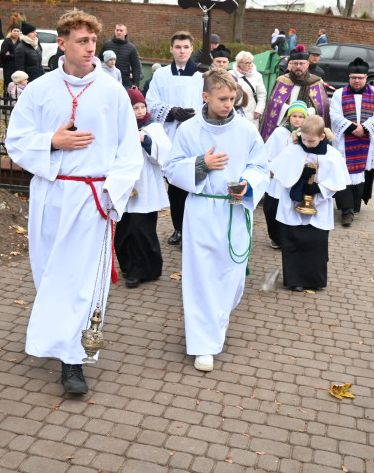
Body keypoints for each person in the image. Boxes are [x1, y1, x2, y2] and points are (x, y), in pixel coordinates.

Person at [4, 9, 143, 395]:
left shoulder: (112, 90)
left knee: (82, 280)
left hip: (92, 197)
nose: (89, 48)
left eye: (93, 41)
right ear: (61, 44)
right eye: (81, 41)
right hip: (51, 193)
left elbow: (129, 152)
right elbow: (15, 140)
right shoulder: (40, 89)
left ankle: (73, 361)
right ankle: (56, 338)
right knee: (50, 272)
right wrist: (52, 141)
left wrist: (109, 195)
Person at [163, 69, 268, 373]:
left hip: (234, 209)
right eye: (222, 98)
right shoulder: (188, 129)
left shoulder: (247, 130)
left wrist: (247, 183)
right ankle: (203, 345)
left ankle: (216, 321)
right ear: (205, 97)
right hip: (201, 210)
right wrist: (201, 164)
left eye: (232, 99)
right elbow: (171, 168)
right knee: (200, 278)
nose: (228, 104)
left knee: (231, 279)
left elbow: (260, 165)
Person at [271, 114, 346, 291]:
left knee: (315, 243)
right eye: (303, 139)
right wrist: (298, 178)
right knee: (293, 241)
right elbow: (278, 172)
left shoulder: (332, 155)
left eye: (311, 141)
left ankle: (313, 280)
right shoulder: (293, 149)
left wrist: (319, 189)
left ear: (322, 137)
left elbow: (337, 182)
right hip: (292, 205)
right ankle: (294, 280)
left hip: (318, 206)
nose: (306, 144)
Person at [146, 31, 204, 247]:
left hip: (193, 135)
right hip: (169, 134)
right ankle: (179, 228)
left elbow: (208, 103)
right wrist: (171, 111)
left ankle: (194, 228)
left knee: (193, 180)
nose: (182, 51)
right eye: (178, 47)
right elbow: (150, 102)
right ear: (171, 49)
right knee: (175, 183)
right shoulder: (161, 75)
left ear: (191, 49)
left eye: (186, 47)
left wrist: (194, 112)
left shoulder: (200, 76)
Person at [116, 89, 171, 288]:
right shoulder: (120, 128)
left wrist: (147, 142)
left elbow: (165, 153)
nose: (140, 111)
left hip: (146, 186)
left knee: (141, 230)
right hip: (126, 186)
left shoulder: (153, 127)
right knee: (123, 231)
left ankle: (143, 270)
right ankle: (128, 266)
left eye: (142, 107)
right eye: (134, 108)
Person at [330, 58, 374, 227]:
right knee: (344, 172)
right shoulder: (339, 94)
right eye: (354, 77)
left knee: (361, 173)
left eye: (360, 78)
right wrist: (350, 127)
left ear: (366, 77)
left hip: (366, 141)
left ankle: (355, 206)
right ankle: (346, 210)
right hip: (344, 141)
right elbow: (334, 115)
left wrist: (365, 128)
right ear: (349, 77)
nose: (357, 81)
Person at [262, 101, 309, 250]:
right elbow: (267, 153)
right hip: (276, 178)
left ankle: (289, 238)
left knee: (290, 209)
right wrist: (269, 168)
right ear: (288, 117)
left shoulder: (306, 136)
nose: (297, 119)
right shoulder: (279, 133)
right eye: (294, 116)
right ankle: (275, 237)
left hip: (294, 179)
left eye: (301, 117)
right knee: (271, 208)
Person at [260, 45, 330, 142]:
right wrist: (290, 110)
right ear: (290, 64)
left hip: (308, 128)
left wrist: (305, 112)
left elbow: (323, 107)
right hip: (285, 126)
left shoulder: (317, 82)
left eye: (301, 63)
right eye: (295, 63)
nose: (298, 66)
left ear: (307, 65)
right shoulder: (282, 80)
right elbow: (273, 103)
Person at [102, 23, 143, 89]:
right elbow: (100, 61)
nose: (119, 32)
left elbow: (136, 67)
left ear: (125, 33)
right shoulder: (107, 45)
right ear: (114, 31)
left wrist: (136, 83)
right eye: (117, 30)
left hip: (125, 83)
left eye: (121, 30)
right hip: (107, 81)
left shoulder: (131, 48)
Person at [231, 51, 267, 121]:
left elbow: (262, 94)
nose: (250, 65)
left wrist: (259, 110)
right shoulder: (231, 74)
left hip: (252, 114)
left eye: (251, 62)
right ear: (239, 63)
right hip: (235, 111)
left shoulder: (257, 76)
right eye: (247, 63)